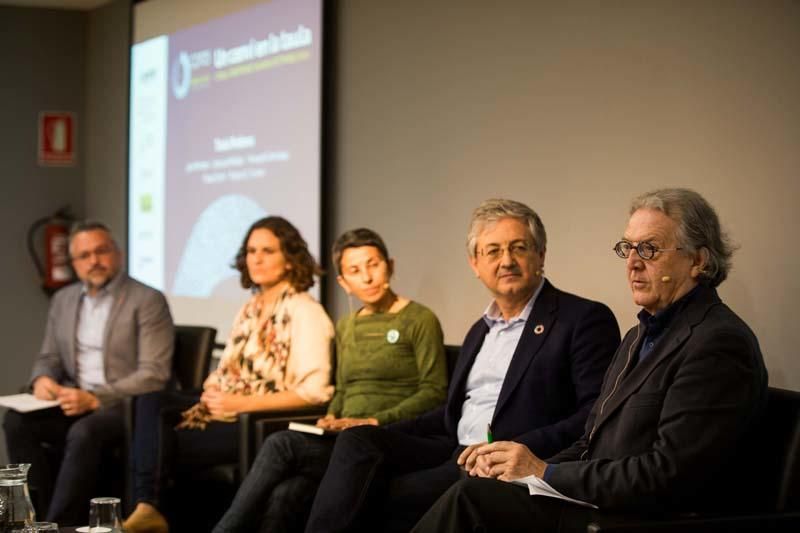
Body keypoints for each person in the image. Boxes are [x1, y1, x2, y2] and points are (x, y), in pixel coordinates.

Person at [411, 188, 769, 533]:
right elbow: (589, 440)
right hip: (597, 501)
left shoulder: (719, 343)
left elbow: (668, 475)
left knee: (470, 500)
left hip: (641, 519)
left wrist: (544, 473)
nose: (632, 262)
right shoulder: (639, 335)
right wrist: (528, 471)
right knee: (479, 488)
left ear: (698, 260)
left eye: (649, 248)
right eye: (627, 248)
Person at [304, 199, 621, 533]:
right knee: (357, 441)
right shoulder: (479, 330)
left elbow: (594, 416)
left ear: (540, 254)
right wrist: (377, 428)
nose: (507, 261)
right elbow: (449, 415)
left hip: (501, 459)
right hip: (452, 448)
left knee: (388, 495)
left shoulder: (582, 318)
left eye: (518, 248)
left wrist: (520, 448)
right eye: (493, 251)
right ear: (475, 263)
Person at [212, 228, 449, 533]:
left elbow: (434, 391)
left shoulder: (420, 319)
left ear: (390, 265)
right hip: (343, 439)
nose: (367, 277)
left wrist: (375, 421)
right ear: (343, 282)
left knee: (282, 444)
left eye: (373, 265)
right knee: (289, 491)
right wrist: (332, 416)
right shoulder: (347, 326)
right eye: (354, 270)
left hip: (388, 437)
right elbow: (343, 389)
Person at [123, 216, 335, 533]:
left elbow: (314, 392)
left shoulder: (305, 311)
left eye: (268, 251)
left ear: (290, 260)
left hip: (255, 423)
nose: (257, 259)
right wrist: (212, 388)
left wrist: (240, 405)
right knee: (152, 403)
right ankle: (146, 507)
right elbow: (228, 369)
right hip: (224, 410)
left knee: (154, 449)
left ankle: (149, 510)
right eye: (251, 251)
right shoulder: (250, 308)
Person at [3, 221, 174, 526]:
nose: (93, 261)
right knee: (17, 421)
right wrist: (41, 380)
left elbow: (154, 374)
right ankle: (33, 519)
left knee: (85, 432)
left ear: (118, 254)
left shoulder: (147, 299)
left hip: (121, 406)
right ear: (74, 263)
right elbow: (49, 357)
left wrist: (95, 398)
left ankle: (57, 524)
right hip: (71, 400)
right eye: (84, 255)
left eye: (101, 251)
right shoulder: (63, 300)